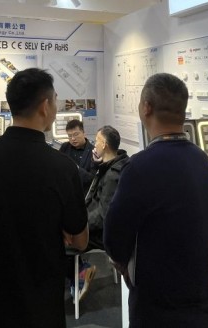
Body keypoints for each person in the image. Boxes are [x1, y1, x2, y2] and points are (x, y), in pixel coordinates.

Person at [0, 68, 88, 328]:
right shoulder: (61, 167)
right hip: (38, 304)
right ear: (45, 106)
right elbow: (81, 241)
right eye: (55, 100)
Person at [104, 73, 208, 327]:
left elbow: (115, 239)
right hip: (207, 304)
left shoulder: (139, 167)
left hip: (160, 310)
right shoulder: (202, 160)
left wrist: (125, 268)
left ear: (146, 107)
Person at [76, 125, 130, 301]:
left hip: (103, 233)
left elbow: (102, 216)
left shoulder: (113, 174)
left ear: (104, 144)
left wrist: (79, 225)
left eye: (97, 141)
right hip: (95, 221)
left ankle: (80, 274)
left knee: (65, 242)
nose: (94, 144)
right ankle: (80, 272)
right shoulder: (113, 165)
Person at [58, 118, 96, 190]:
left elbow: (92, 179)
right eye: (70, 136)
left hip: (83, 191)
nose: (73, 139)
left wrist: (76, 168)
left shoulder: (93, 151)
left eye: (76, 134)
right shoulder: (65, 147)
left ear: (84, 133)